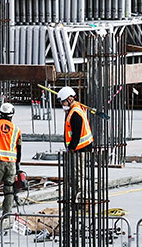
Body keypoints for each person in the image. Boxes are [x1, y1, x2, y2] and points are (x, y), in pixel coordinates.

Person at [58, 87, 92, 218]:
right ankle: (79, 199)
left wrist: (71, 148)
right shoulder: (75, 109)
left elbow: (77, 134)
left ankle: (82, 201)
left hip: (80, 149)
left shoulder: (75, 113)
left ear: (70, 99)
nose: (62, 105)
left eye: (63, 102)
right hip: (79, 148)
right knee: (77, 176)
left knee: (79, 176)